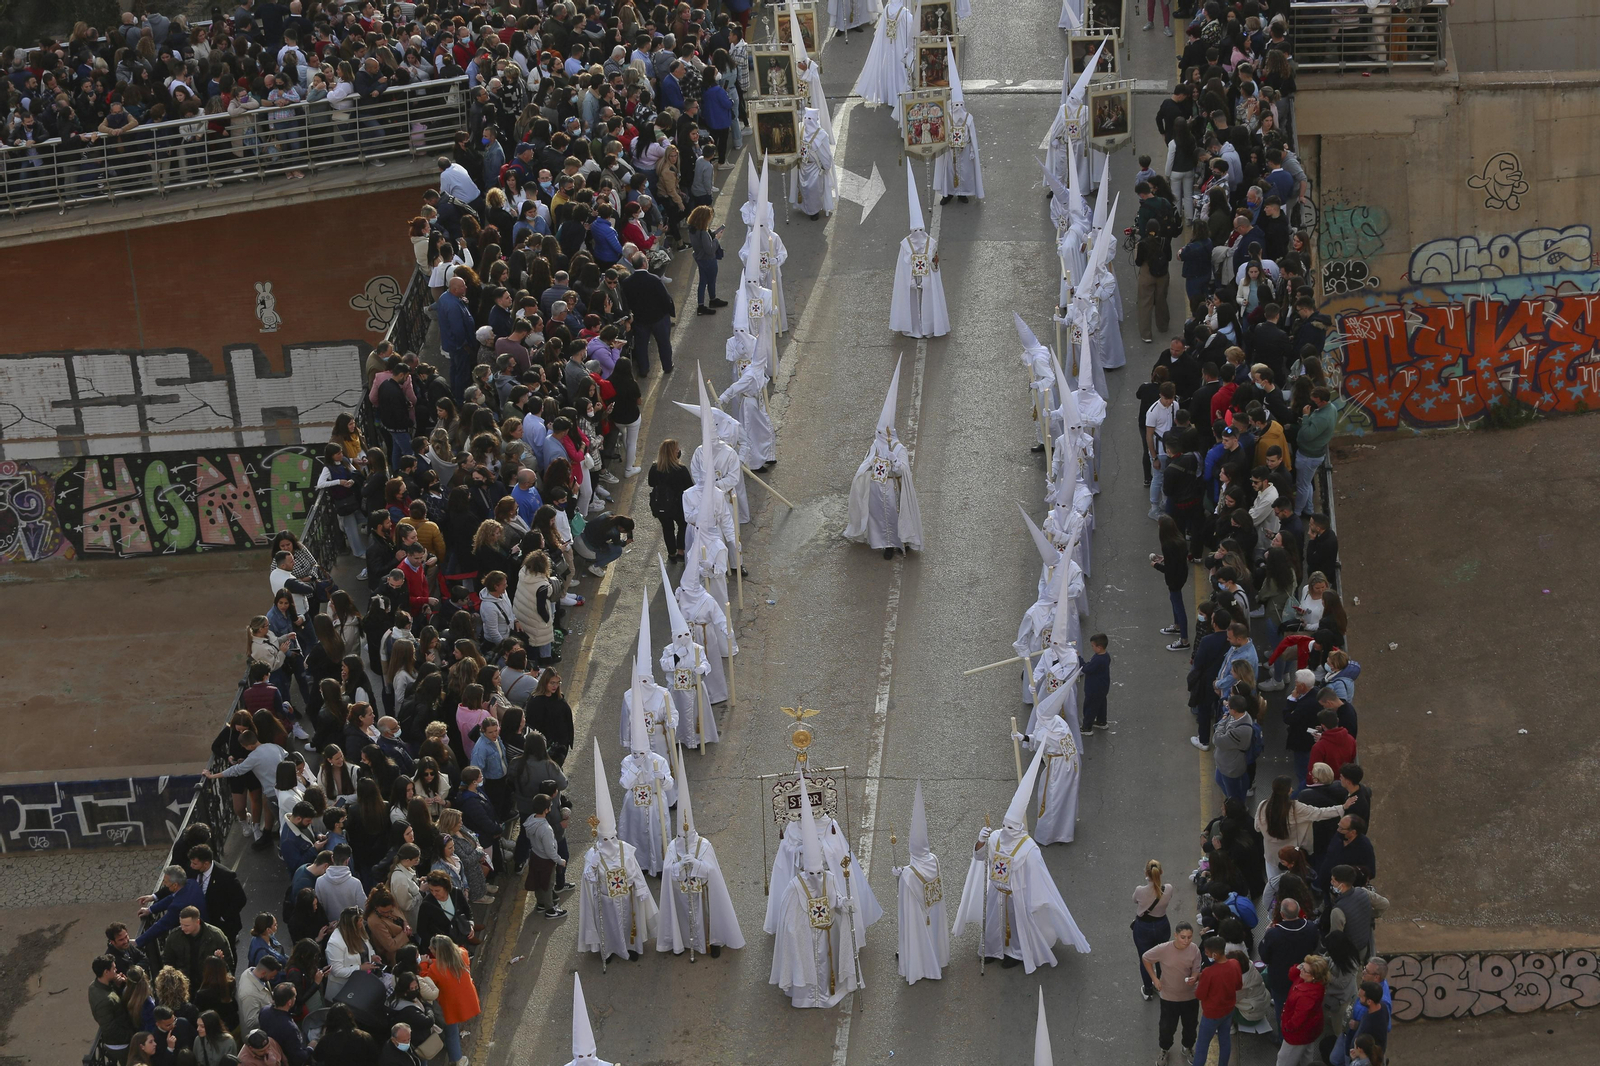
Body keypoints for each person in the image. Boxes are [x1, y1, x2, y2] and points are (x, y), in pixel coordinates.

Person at [951, 745, 1091, 971]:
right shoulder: (995, 837)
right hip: (995, 892)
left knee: (1016, 927)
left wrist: (1033, 900)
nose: (1005, 830)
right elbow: (979, 857)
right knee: (993, 923)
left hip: (1017, 895)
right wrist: (980, 841)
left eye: (1010, 827)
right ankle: (991, 950)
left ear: (1019, 828)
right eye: (1004, 825)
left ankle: (1015, 954)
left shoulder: (1029, 848)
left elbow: (1038, 876)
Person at [769, 773, 861, 1007]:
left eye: (819, 873)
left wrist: (844, 903)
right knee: (806, 959)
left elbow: (834, 897)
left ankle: (827, 989)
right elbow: (789, 915)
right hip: (805, 932)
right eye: (813, 874)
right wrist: (795, 931)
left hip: (826, 929)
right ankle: (805, 996)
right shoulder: (795, 886)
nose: (817, 877)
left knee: (826, 957)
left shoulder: (828, 877)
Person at [656, 749, 744, 959]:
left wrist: (697, 864)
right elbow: (667, 871)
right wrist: (678, 866)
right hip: (681, 893)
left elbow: (712, 872)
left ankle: (713, 940)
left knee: (705, 917)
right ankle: (681, 943)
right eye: (681, 836)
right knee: (683, 918)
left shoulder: (704, 845)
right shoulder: (672, 847)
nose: (684, 839)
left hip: (703, 895)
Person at [578, 741, 658, 962]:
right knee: (611, 926)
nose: (610, 843)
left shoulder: (625, 850)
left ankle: (632, 948)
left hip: (627, 898)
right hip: (606, 901)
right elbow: (588, 881)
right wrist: (592, 867)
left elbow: (635, 872)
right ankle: (610, 950)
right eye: (606, 839)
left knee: (629, 923)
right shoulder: (593, 855)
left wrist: (640, 889)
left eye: (612, 838)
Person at [846, 359, 924, 559]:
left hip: (893, 489)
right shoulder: (875, 445)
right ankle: (885, 544)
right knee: (879, 518)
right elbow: (867, 462)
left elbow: (903, 470)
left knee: (895, 515)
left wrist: (894, 461)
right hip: (876, 488)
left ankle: (900, 542)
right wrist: (869, 466)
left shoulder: (898, 448)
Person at [887, 782, 948, 984]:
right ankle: (936, 958)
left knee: (916, 935)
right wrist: (903, 872)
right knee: (933, 933)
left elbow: (905, 896)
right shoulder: (934, 860)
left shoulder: (909, 874)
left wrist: (900, 874)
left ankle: (919, 965)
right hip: (933, 911)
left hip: (918, 915)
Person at [890, 167, 950, 337]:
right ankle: (914, 327)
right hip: (912, 282)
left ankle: (929, 327)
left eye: (920, 230)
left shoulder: (931, 244)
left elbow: (935, 267)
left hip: (927, 281)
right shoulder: (905, 245)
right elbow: (903, 269)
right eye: (915, 230)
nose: (918, 233)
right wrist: (910, 280)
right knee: (913, 303)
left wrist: (927, 281)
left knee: (929, 301)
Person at [1141, 922, 1202, 1061]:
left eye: (1189, 937)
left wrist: (1194, 977)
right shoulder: (1163, 949)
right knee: (1167, 1027)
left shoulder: (1194, 949)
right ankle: (1164, 1049)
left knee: (1191, 1026)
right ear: (1175, 935)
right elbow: (1146, 958)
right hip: (1169, 997)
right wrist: (1154, 978)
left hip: (1190, 996)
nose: (1186, 941)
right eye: (1183, 937)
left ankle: (1187, 1047)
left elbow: (1196, 969)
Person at [419, 936, 479, 1066]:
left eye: (432, 948)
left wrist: (423, 963)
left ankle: (457, 1059)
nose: (429, 948)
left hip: (449, 1004)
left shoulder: (435, 970)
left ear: (438, 952)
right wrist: (432, 961)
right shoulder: (462, 953)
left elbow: (426, 981)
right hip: (465, 998)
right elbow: (447, 963)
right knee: (452, 1028)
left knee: (451, 1031)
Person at [1259, 897, 1321, 1019]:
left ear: (1282, 914)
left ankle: (1282, 1030)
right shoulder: (1311, 927)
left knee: (1282, 1011)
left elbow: (1264, 957)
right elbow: (1314, 947)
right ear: (1298, 910)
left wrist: (1267, 933)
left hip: (1281, 981)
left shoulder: (1273, 934)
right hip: (1304, 976)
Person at [620, 252, 676, 375]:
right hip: (659, 318)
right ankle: (667, 366)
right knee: (664, 343)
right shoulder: (654, 280)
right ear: (645, 264)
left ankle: (644, 369)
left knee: (641, 346)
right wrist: (670, 311)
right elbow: (665, 298)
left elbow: (626, 302)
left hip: (640, 319)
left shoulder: (627, 282)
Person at [1191, 935, 1242, 1066]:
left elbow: (1200, 995)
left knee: (1202, 1046)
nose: (1206, 954)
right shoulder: (1235, 964)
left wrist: (1200, 979)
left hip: (1211, 1015)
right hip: (1228, 1010)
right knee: (1225, 1040)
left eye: (1207, 952)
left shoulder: (1209, 972)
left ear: (1215, 954)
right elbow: (1238, 985)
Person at [1131, 860, 1175, 1002]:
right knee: (1161, 956)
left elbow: (1134, 900)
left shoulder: (1140, 890)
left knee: (1145, 958)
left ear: (1146, 873)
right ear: (1161, 872)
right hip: (1162, 925)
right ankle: (1160, 985)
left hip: (1143, 927)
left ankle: (1148, 989)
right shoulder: (1168, 889)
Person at [1278, 955, 1331, 1065]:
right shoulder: (1310, 981)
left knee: (1284, 1059)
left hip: (1297, 1034)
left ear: (1314, 976)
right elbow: (1292, 974)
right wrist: (1299, 967)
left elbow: (1298, 1019)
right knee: (1306, 1054)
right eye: (1302, 966)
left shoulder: (1308, 996)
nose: (1301, 970)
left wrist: (1287, 1027)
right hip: (1310, 1029)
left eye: (1304, 970)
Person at [648, 439, 695, 562]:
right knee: (683, 526)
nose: (679, 451)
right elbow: (689, 487)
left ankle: (671, 553)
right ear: (672, 453)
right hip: (678, 505)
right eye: (676, 449)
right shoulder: (681, 469)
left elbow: (651, 483)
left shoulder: (655, 468)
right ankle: (681, 550)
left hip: (660, 504)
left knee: (667, 528)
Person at [790, 107, 835, 220]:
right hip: (802, 166)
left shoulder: (821, 135)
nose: (807, 120)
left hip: (815, 168)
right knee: (803, 189)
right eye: (806, 118)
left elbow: (826, 153)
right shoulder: (800, 129)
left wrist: (826, 167)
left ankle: (814, 211)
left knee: (813, 190)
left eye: (810, 118)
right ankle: (804, 207)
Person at [90, 956, 135, 1059]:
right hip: (121, 1045)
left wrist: (117, 985)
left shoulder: (94, 986)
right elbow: (110, 1028)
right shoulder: (104, 1000)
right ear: (106, 972)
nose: (116, 970)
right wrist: (131, 1036)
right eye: (114, 968)